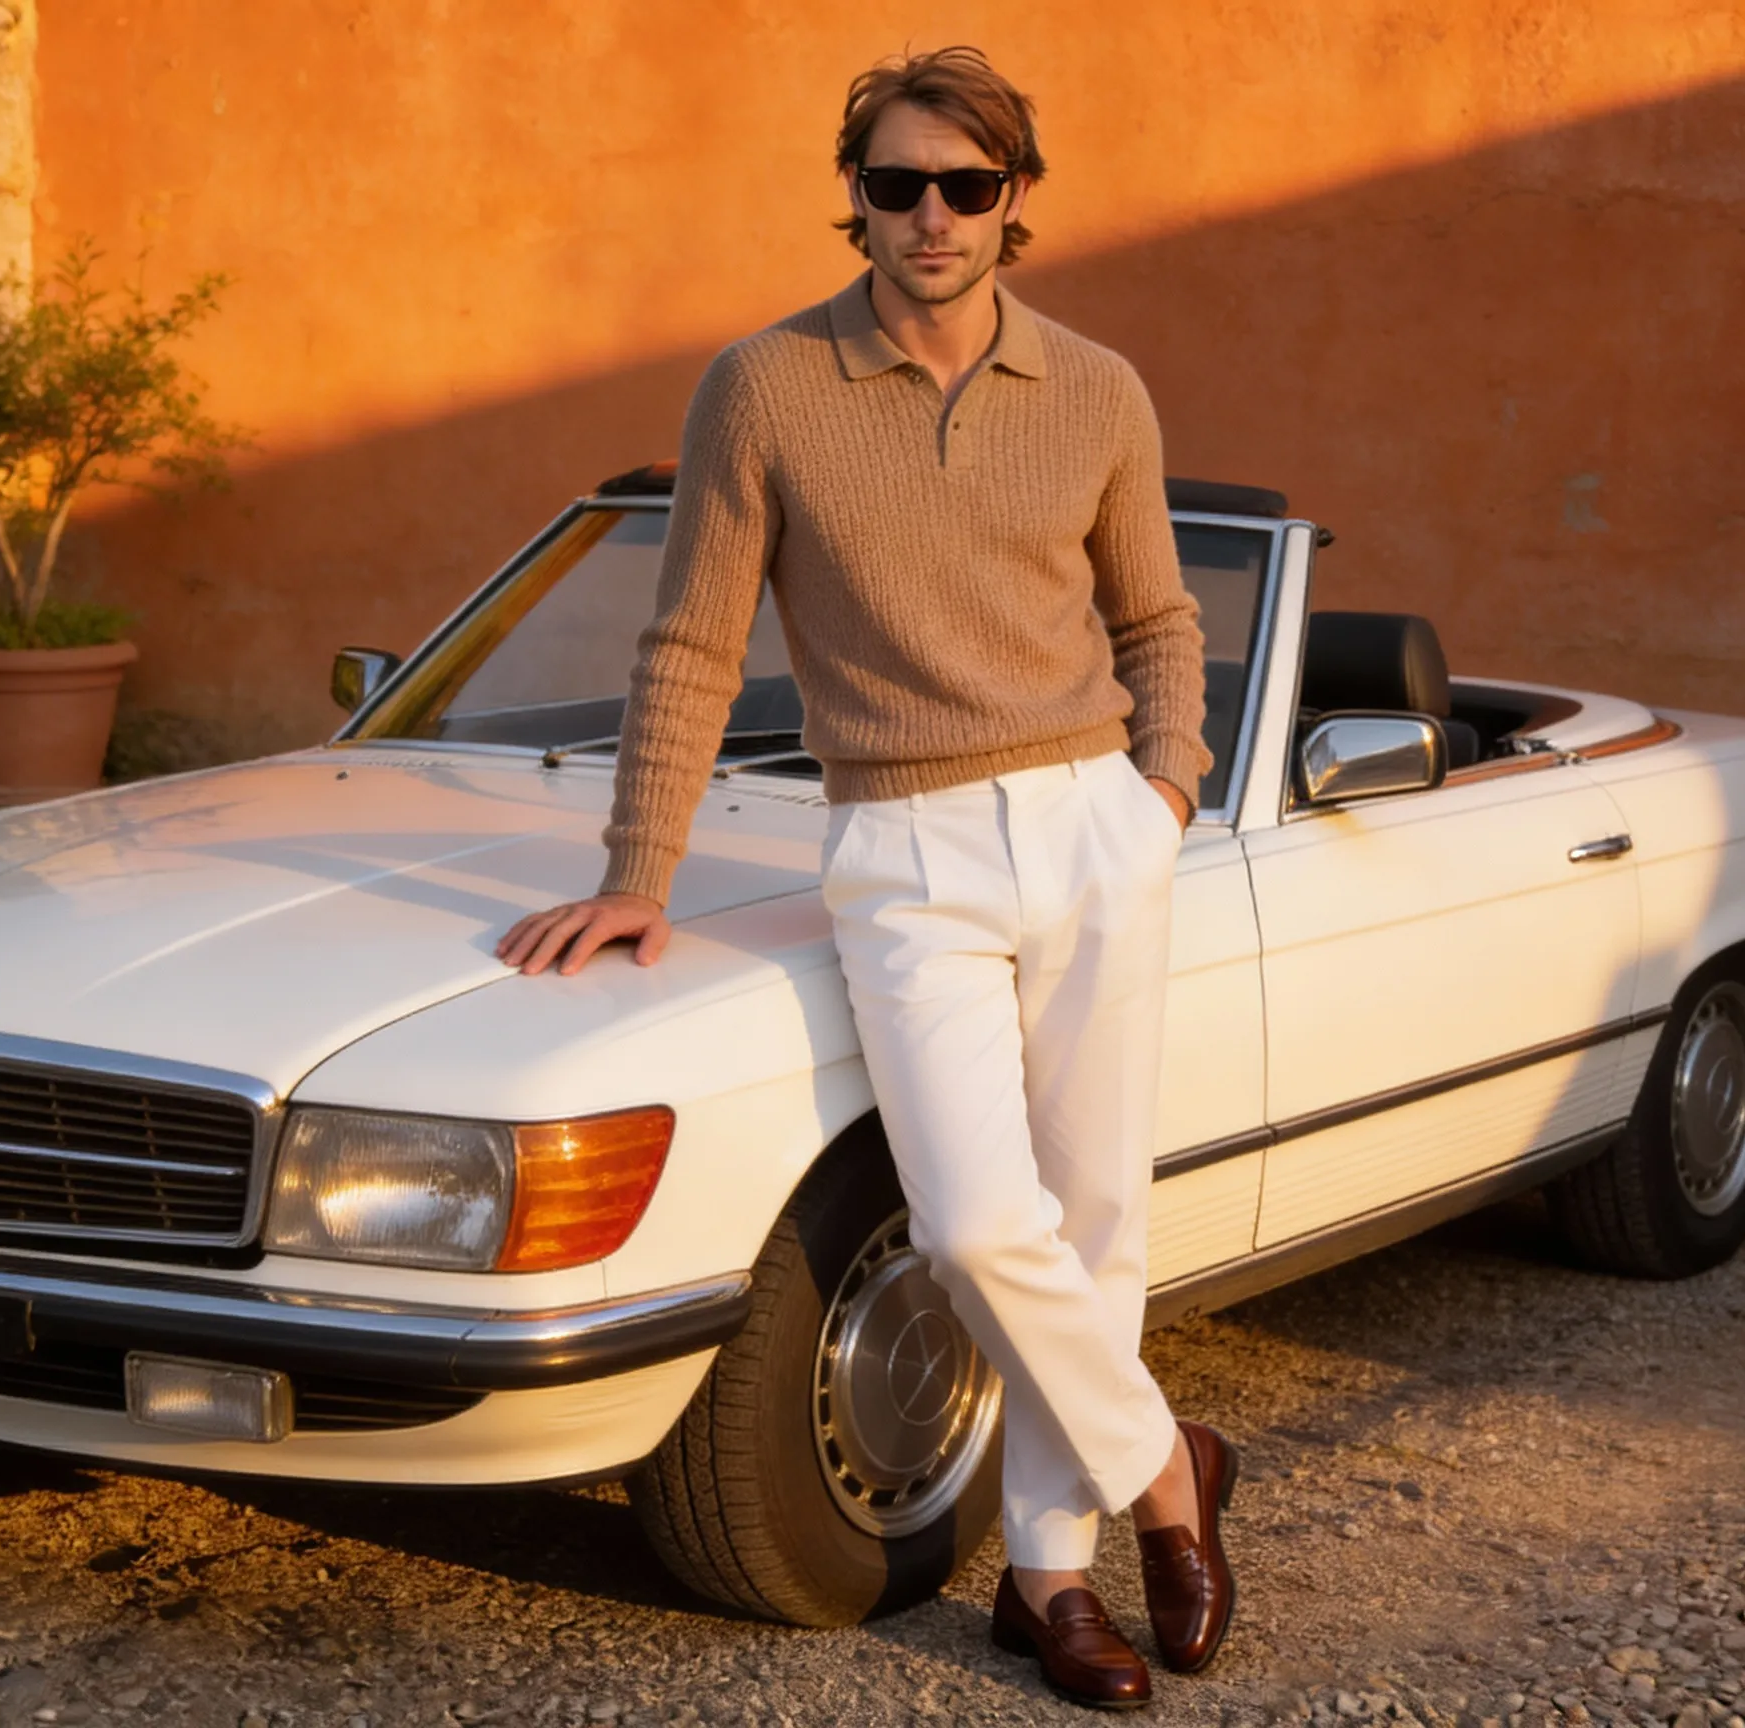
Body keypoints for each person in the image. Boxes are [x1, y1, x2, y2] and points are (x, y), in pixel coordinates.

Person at [498, 45, 1235, 1710]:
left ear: (1015, 202)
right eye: (896, 184)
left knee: (1096, 1221)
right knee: (980, 1228)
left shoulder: (1101, 390)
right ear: (856, 198)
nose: (930, 216)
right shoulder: (763, 388)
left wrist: (1164, 792)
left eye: (965, 187)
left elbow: (1161, 621)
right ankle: (1170, 1465)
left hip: (1091, 824)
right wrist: (640, 867)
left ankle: (1049, 1584)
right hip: (901, 850)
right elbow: (691, 641)